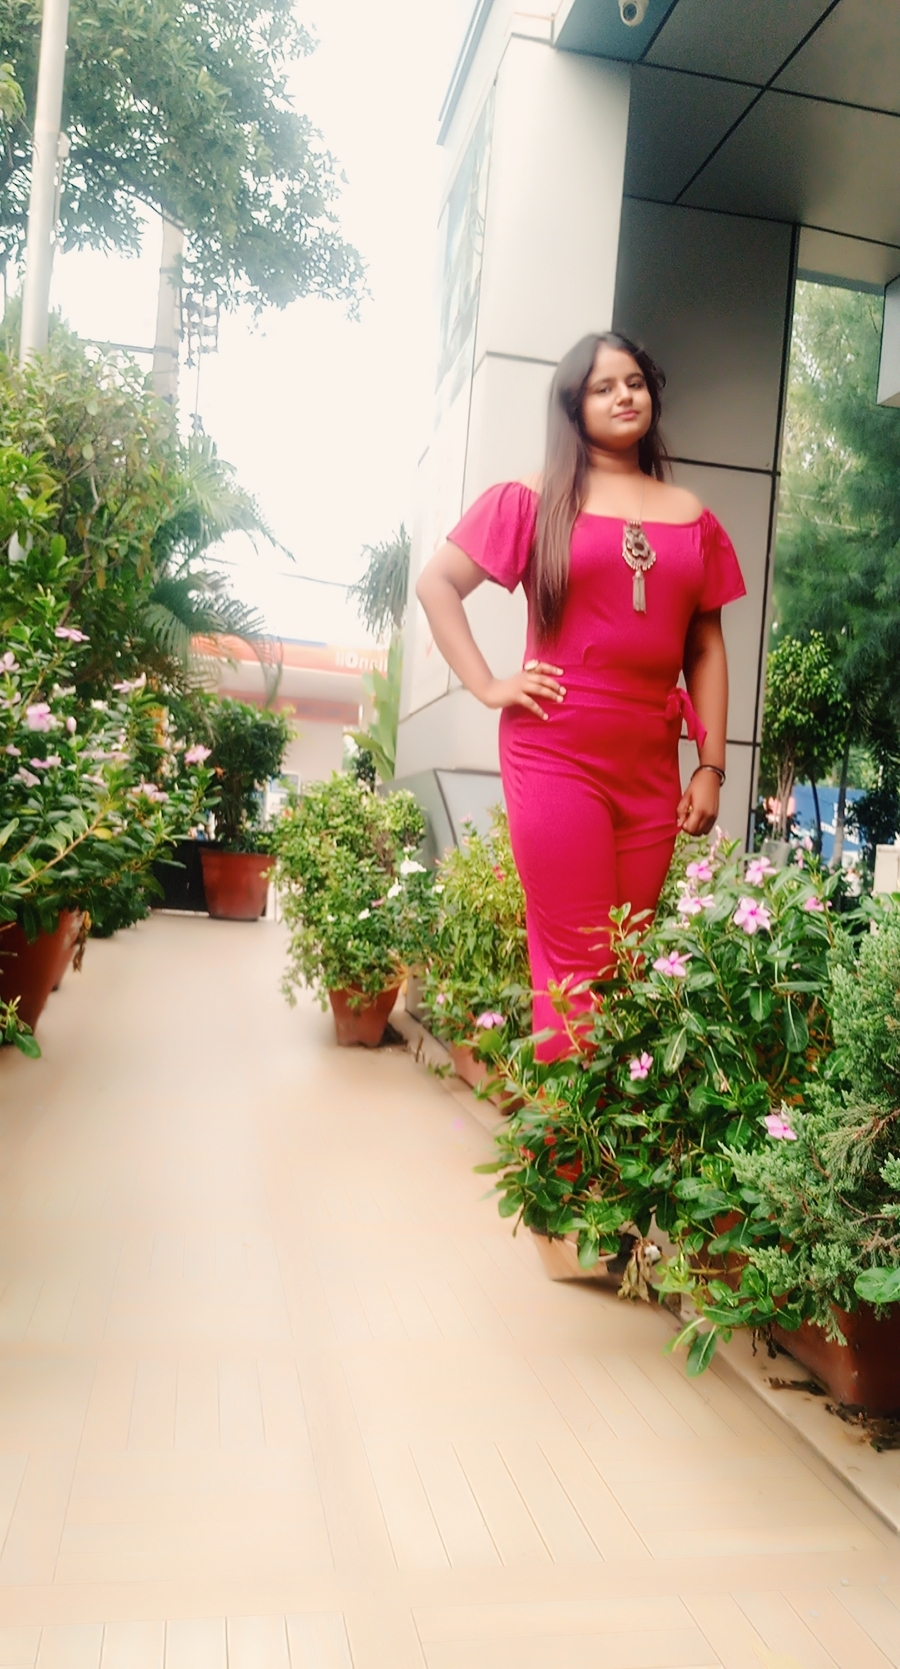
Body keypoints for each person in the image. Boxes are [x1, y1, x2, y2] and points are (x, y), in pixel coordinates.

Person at [416, 331, 745, 1058]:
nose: (625, 396)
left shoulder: (692, 516)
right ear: (574, 406)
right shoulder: (534, 499)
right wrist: (490, 685)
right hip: (555, 750)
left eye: (635, 382)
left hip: (651, 765)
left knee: (624, 963)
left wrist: (711, 765)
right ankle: (569, 1131)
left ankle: (600, 1124)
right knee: (578, 966)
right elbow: (437, 584)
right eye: (603, 387)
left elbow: (705, 647)